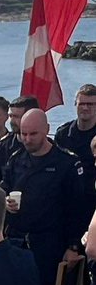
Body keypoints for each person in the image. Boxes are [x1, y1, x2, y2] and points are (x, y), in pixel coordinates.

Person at [2, 109, 84, 285]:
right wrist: (6, 202)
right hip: (17, 242)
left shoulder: (66, 163)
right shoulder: (16, 159)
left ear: (47, 130)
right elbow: (4, 186)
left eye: (33, 134)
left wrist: (73, 246)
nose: (27, 139)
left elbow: (78, 209)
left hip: (50, 245)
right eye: (23, 134)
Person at [55, 84, 96, 228]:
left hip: (92, 202)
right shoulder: (63, 134)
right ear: (75, 105)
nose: (85, 108)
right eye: (81, 104)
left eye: (90, 104)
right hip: (67, 202)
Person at [0, 94, 39, 183]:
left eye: (16, 117)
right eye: (11, 116)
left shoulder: (42, 146)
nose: (12, 121)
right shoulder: (3, 146)